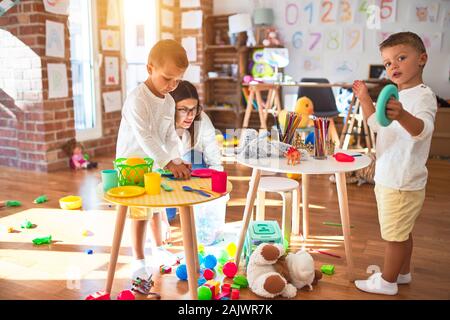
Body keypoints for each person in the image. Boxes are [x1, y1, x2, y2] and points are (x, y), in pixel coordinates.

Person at [352, 32, 437, 295]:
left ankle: (387, 282)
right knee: (402, 230)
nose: (394, 66)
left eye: (401, 58)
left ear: (422, 59)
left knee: (394, 235)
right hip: (389, 176)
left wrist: (402, 115)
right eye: (388, 63)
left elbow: (423, 129)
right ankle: (402, 273)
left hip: (401, 180)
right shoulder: (396, 96)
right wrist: (366, 99)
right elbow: (376, 124)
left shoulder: (423, 96)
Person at [116, 39, 191, 280]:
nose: (172, 85)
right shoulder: (137, 99)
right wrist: (168, 162)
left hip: (155, 163)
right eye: (167, 78)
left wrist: (176, 159)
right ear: (150, 69)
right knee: (140, 213)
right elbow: (145, 137)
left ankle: (159, 249)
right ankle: (138, 260)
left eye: (177, 80)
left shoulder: (169, 101)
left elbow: (170, 136)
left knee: (157, 208)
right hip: (133, 166)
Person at [169, 80, 222, 171]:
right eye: (183, 109)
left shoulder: (202, 118)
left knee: (193, 156)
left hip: (193, 162)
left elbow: (213, 156)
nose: (190, 116)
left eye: (194, 109)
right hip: (168, 165)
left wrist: (214, 178)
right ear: (171, 108)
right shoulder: (163, 121)